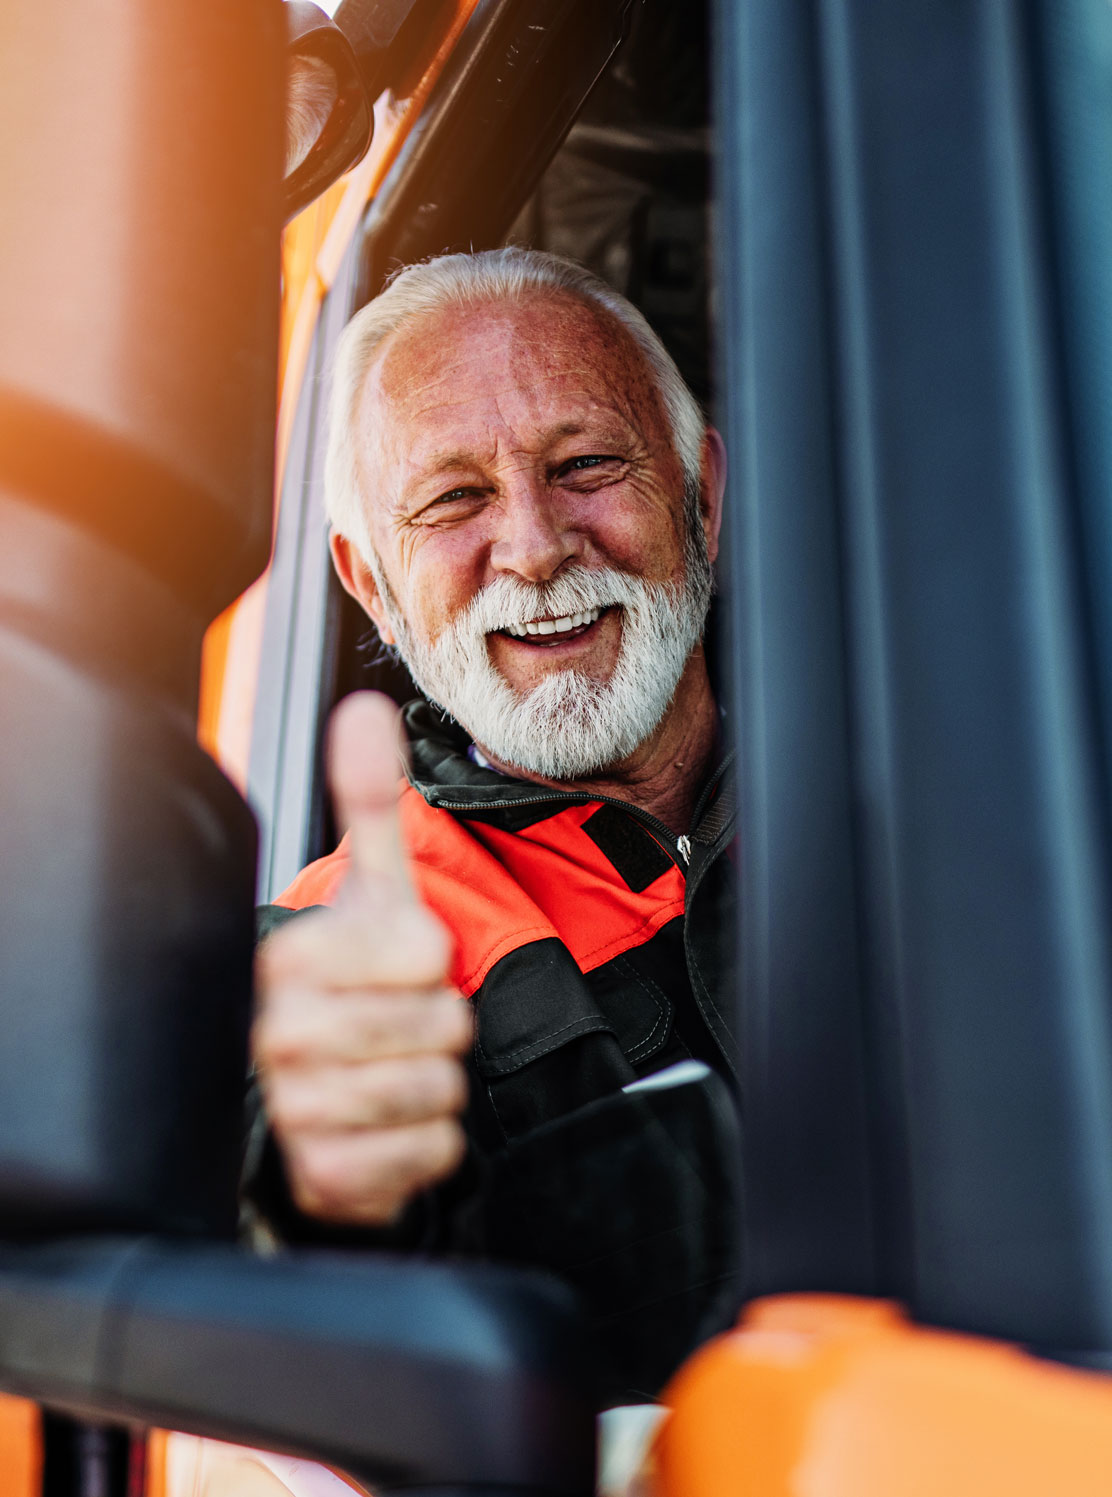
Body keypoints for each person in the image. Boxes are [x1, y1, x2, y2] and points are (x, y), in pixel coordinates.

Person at [242, 247, 738, 1401]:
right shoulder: (328, 955)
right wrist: (333, 1193)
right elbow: (294, 1268)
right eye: (454, 497)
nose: (532, 546)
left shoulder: (945, 793)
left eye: (587, 464)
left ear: (700, 491)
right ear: (370, 584)